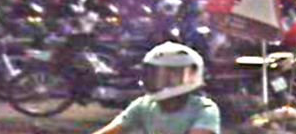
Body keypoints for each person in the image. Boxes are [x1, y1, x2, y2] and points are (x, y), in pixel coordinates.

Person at [90, 41, 221, 134]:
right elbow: (111, 131)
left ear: (191, 76)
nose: (160, 80)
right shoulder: (144, 105)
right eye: (155, 74)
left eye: (170, 75)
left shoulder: (204, 109)